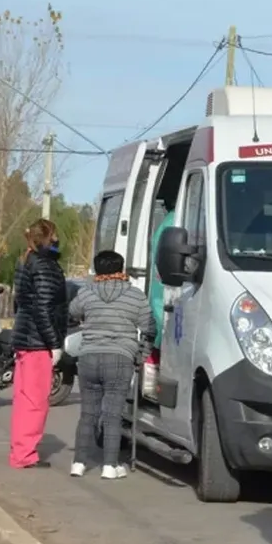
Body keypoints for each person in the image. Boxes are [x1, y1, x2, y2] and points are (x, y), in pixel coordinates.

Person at [68, 250, 155, 479]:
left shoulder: (86, 292)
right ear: (121, 268)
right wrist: (141, 356)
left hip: (88, 357)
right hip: (120, 358)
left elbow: (72, 312)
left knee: (88, 414)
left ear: (97, 270)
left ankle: (78, 462)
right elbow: (149, 329)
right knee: (113, 414)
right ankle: (110, 465)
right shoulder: (135, 296)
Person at [9, 218, 68, 469]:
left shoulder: (27, 261)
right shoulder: (45, 266)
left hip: (25, 338)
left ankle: (20, 450)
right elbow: (44, 307)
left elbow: (21, 302)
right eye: (54, 236)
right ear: (48, 237)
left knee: (23, 399)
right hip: (38, 342)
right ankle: (24, 454)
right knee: (35, 401)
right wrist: (54, 343)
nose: (57, 240)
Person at [142, 205, 176, 397]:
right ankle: (154, 387)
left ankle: (152, 387)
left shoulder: (167, 223)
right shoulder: (175, 222)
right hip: (164, 293)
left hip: (160, 294)